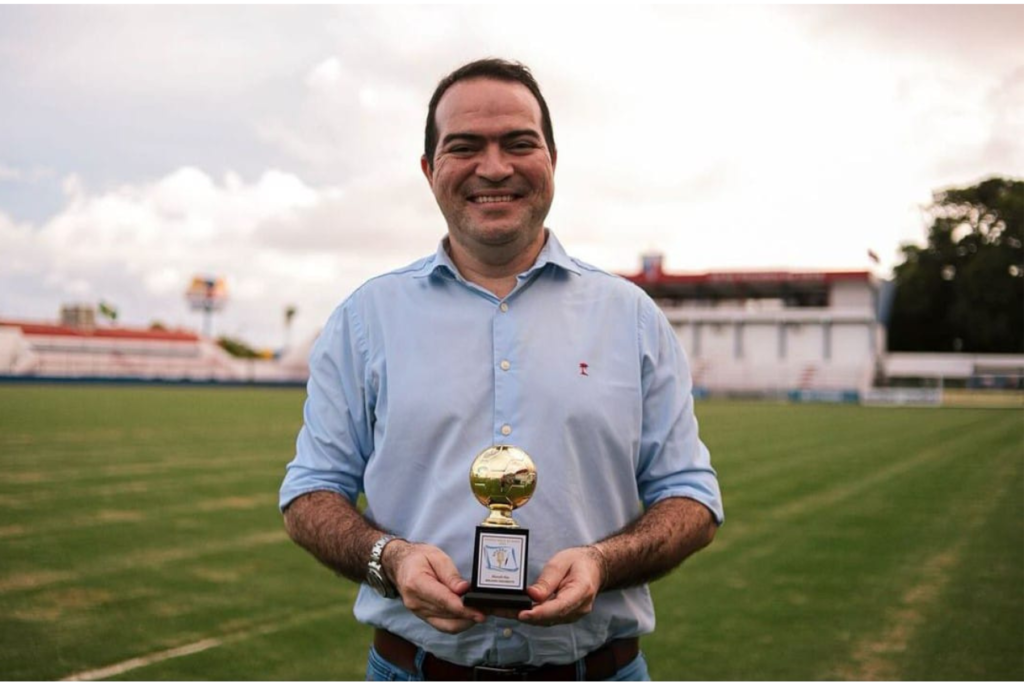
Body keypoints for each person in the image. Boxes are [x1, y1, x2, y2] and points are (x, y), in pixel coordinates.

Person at [279, 58, 724, 681]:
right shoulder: (364, 320)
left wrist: (603, 561)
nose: (494, 167)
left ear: (552, 161)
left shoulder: (634, 318)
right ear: (430, 169)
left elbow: (692, 499)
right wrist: (390, 558)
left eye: (519, 143)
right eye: (465, 147)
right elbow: (309, 493)